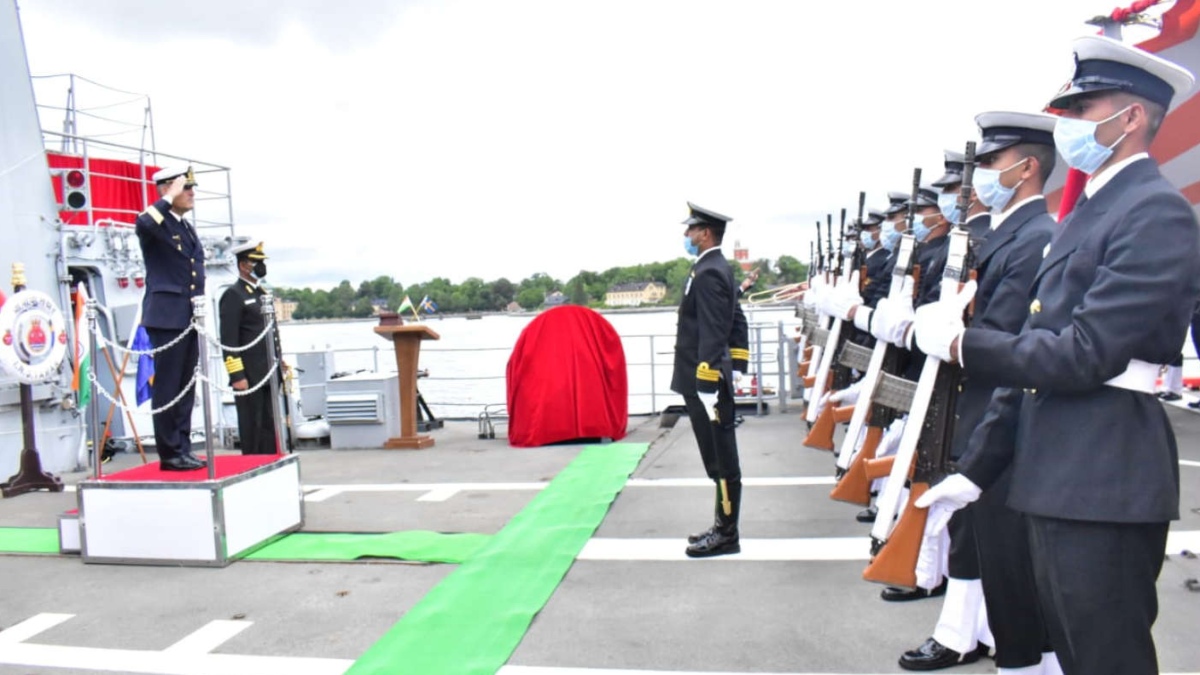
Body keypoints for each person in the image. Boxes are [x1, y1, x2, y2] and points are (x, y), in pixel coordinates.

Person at [913, 36, 1199, 675]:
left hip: (1106, 474)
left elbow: (1082, 355)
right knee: (1070, 654)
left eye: (1083, 109)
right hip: (1056, 473)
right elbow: (1037, 354)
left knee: (1106, 658)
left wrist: (964, 341)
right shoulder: (1091, 211)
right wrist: (980, 468)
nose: (1066, 127)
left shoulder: (1155, 212)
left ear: (1130, 118)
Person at [900, 112, 1060, 673]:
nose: (979, 179)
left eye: (990, 164)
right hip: (974, 407)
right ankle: (972, 632)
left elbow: (1007, 339)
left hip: (1001, 413)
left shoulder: (1036, 237)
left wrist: (951, 337)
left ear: (1027, 166)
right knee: (986, 544)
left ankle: (1005, 648)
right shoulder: (1003, 235)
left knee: (1013, 565)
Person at [673, 202, 742, 558]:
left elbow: (715, 328)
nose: (686, 235)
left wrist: (708, 379)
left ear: (706, 233)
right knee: (715, 457)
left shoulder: (711, 270)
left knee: (721, 459)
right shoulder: (712, 267)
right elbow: (737, 315)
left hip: (707, 381)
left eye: (691, 229)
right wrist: (739, 361)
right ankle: (721, 526)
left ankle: (727, 534)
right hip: (706, 377)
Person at [135, 165, 207, 471]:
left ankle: (183, 447)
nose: (191, 193)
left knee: (185, 387)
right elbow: (144, 223)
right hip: (166, 319)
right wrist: (169, 197)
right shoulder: (157, 224)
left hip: (188, 316)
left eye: (191, 187)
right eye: (184, 187)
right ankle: (169, 452)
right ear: (168, 189)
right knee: (168, 386)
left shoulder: (185, 227)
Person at [219, 241, 282, 455]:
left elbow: (269, 332)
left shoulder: (260, 292)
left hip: (268, 371)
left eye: (262, 262)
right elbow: (229, 341)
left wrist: (278, 361)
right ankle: (254, 462)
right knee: (252, 425)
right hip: (250, 375)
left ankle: (272, 459)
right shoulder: (234, 295)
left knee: (269, 423)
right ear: (244, 265)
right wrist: (237, 375)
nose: (261, 266)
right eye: (257, 262)